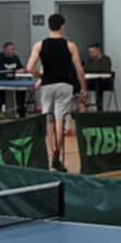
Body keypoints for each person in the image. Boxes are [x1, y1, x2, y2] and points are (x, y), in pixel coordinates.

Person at [26, 13, 86, 171]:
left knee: (49, 119)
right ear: (62, 26)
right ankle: (57, 156)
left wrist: (41, 76)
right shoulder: (70, 45)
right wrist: (83, 88)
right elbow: (79, 70)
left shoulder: (39, 45)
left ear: (48, 26)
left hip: (47, 85)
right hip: (64, 85)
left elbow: (29, 68)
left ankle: (51, 153)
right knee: (60, 120)